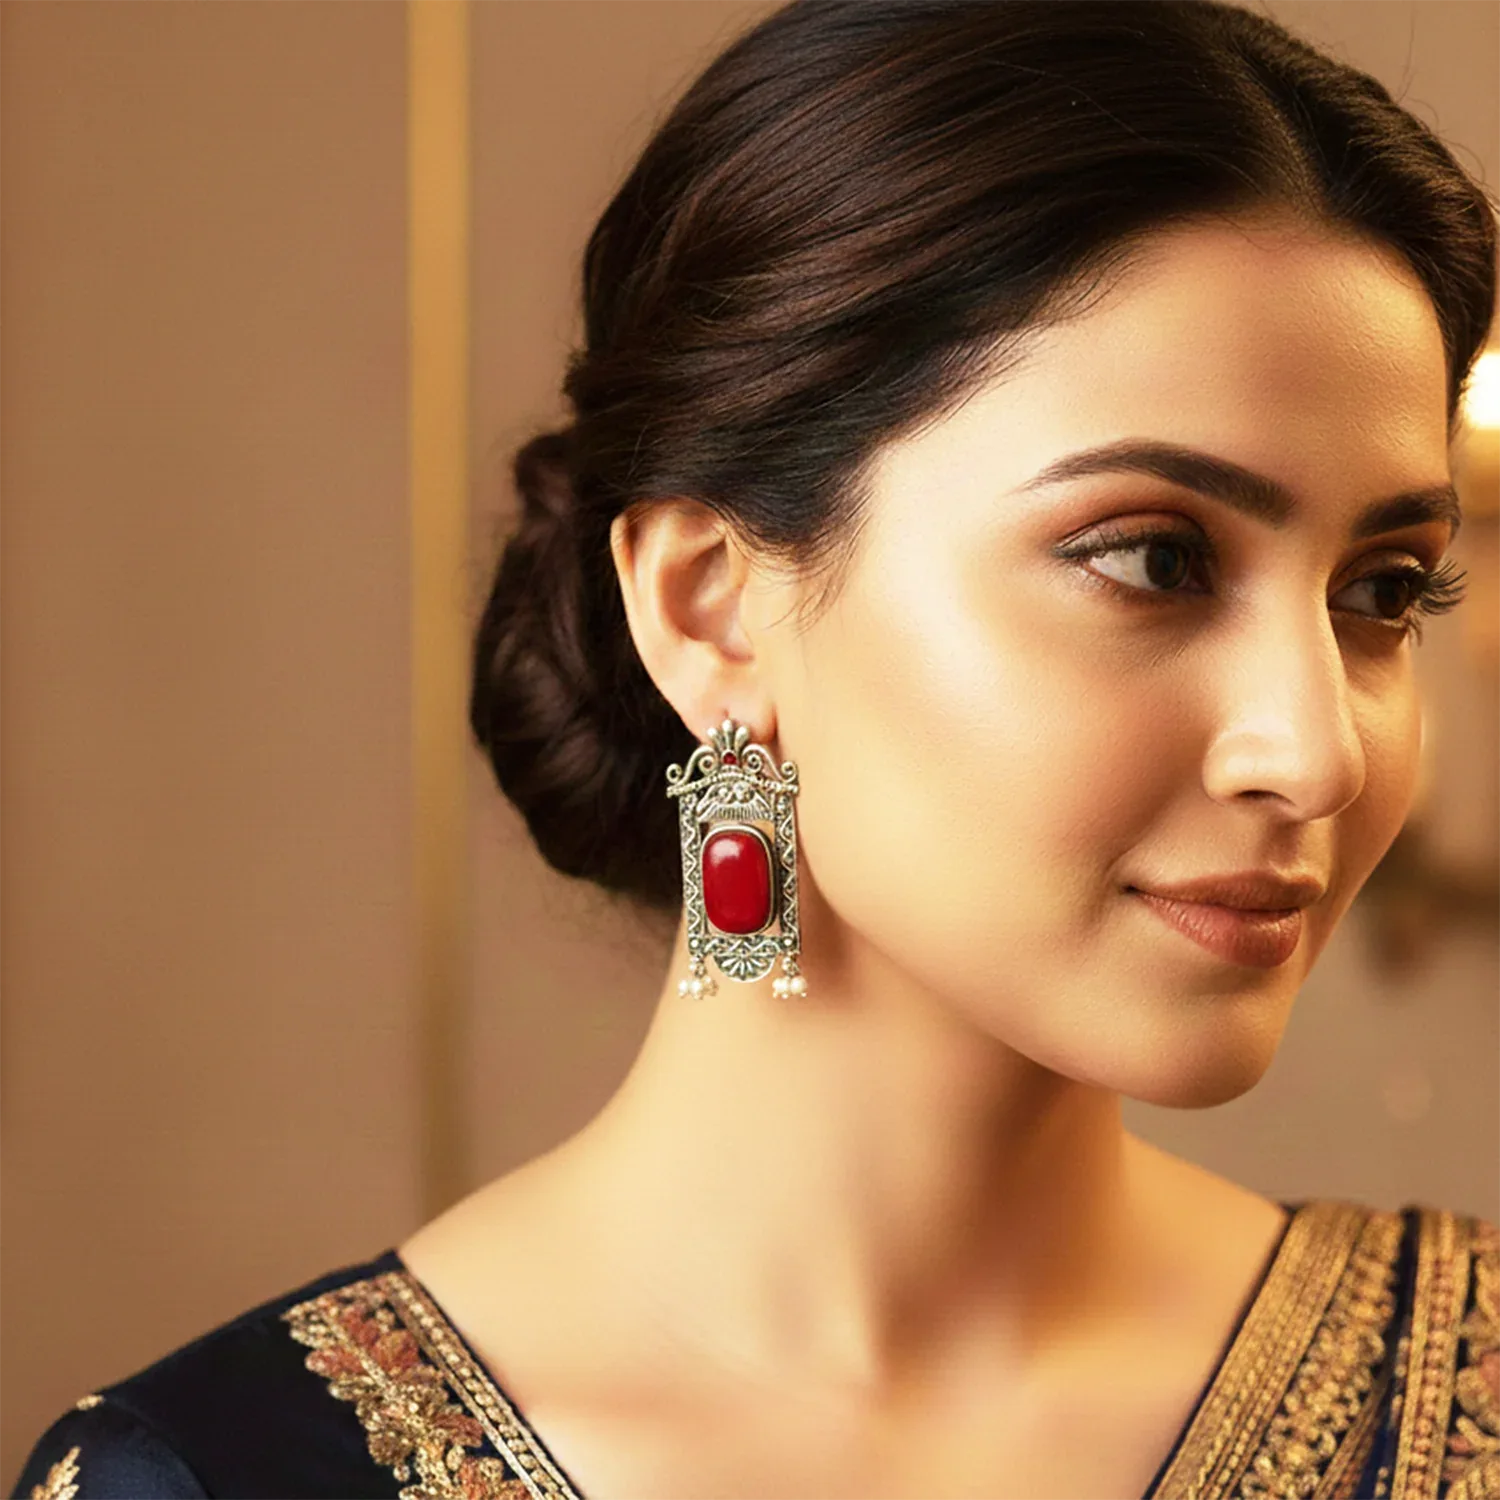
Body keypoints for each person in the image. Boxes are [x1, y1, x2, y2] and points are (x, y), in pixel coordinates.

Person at [13, 0, 1500, 1496]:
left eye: (1383, 593)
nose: (1317, 752)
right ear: (713, 607)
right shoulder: (222, 1477)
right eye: (1154, 561)